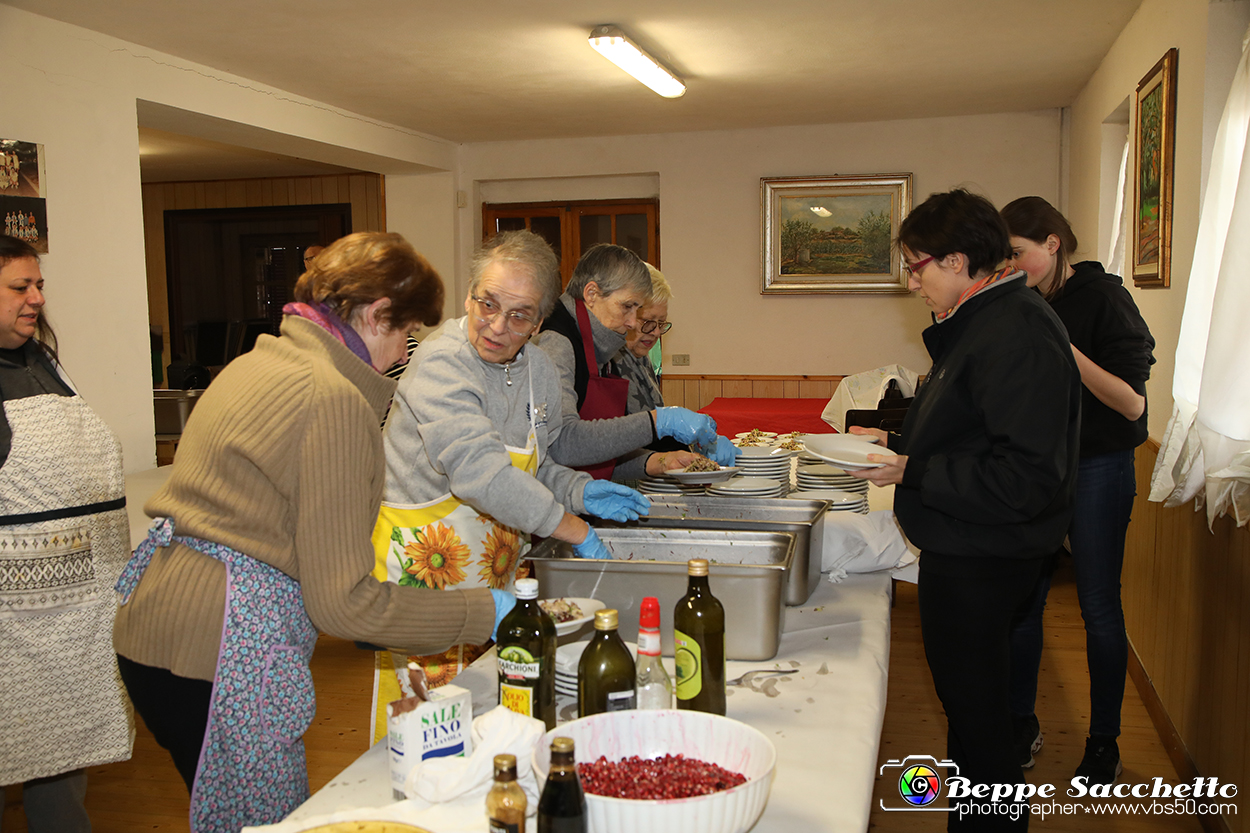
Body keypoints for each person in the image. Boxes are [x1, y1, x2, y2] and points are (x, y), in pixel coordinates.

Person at [112, 232, 505, 832]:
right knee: (270, 824)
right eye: (406, 332)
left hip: (157, 631)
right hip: (226, 646)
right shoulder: (333, 399)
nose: (404, 349)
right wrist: (482, 611)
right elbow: (346, 605)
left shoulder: (257, 362)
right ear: (377, 315)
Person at [849, 190, 1081, 830]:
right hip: (970, 546)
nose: (912, 280)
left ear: (957, 260)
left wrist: (913, 469)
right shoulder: (984, 319)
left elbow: (1024, 477)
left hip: (987, 555)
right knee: (973, 715)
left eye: (916, 265)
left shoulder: (1017, 329)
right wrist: (897, 443)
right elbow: (975, 431)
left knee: (981, 728)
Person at [371, 230, 649, 703]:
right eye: (487, 304)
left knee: (497, 709)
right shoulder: (441, 362)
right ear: (469, 296)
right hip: (425, 573)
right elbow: (480, 473)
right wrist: (573, 528)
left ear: (539, 322)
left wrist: (580, 492)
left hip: (496, 576)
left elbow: (531, 468)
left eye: (519, 315)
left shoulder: (538, 370)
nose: (498, 326)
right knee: (430, 721)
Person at [1001, 196, 1155, 784]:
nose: (1012, 269)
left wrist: (1060, 349)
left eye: (1019, 255)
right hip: (1039, 469)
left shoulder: (1105, 299)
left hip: (1099, 467)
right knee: (1025, 605)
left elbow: (1132, 402)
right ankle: (1021, 722)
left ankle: (1104, 742)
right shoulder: (1019, 303)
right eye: (1004, 259)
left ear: (1053, 243)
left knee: (1097, 608)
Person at [0, 236, 132, 833]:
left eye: (39, 285)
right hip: (19, 614)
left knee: (63, 755)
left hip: (79, 602)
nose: (36, 298)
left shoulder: (43, 361)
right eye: (19, 287)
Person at [537, 244, 735, 480]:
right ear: (591, 294)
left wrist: (660, 461)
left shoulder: (600, 338)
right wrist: (659, 421)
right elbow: (563, 444)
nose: (632, 323)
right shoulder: (556, 344)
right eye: (627, 307)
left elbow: (602, 451)